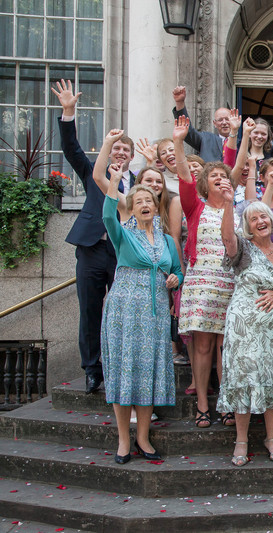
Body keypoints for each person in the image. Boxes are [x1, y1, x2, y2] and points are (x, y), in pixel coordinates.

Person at [52, 79, 134, 394]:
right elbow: (71, 148)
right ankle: (91, 369)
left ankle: (119, 366)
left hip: (122, 254)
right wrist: (68, 112)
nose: (120, 153)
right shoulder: (92, 172)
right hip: (91, 248)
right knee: (89, 309)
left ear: (131, 157)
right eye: (116, 148)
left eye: (125, 150)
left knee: (122, 311)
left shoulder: (139, 182)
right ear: (108, 152)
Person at [100, 162, 182, 464]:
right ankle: (124, 440)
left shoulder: (167, 240)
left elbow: (177, 271)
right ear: (132, 208)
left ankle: (144, 438)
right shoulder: (123, 235)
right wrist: (114, 182)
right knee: (124, 373)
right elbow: (107, 215)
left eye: (149, 200)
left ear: (156, 206)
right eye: (139, 201)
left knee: (149, 374)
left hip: (155, 313)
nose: (145, 204)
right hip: (124, 310)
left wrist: (175, 279)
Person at [218, 195, 273, 467]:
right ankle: (241, 441)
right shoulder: (242, 248)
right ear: (248, 226)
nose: (260, 221)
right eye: (254, 219)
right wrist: (228, 203)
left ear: (271, 220)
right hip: (244, 329)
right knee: (244, 378)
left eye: (264, 216)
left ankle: (271, 438)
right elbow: (227, 237)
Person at [173, 115, 237, 429]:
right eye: (214, 176)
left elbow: (231, 163)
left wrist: (234, 134)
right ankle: (201, 403)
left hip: (230, 284)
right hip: (200, 284)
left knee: (225, 346)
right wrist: (178, 142)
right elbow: (184, 177)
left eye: (224, 177)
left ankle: (225, 401)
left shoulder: (234, 209)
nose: (220, 179)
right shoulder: (194, 207)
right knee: (202, 346)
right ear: (205, 183)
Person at [171, 85, 229, 162]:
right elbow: (188, 132)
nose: (224, 123)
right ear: (214, 123)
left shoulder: (242, 142)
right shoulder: (206, 139)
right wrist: (180, 103)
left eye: (227, 119)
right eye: (220, 120)